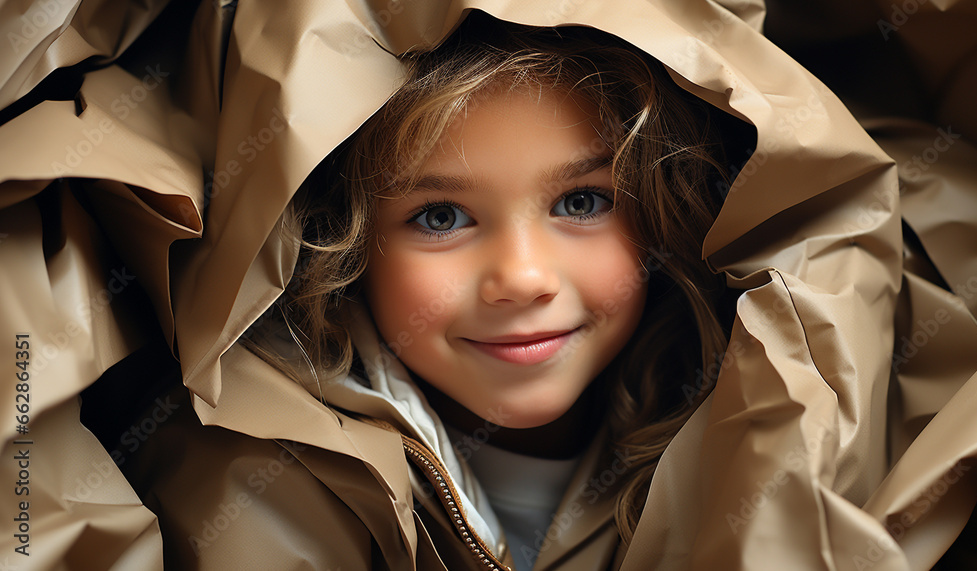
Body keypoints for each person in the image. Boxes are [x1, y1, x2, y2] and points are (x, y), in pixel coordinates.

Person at [238, 12, 735, 570]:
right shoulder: (243, 484)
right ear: (344, 247)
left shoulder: (747, 446)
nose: (522, 280)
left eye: (581, 202)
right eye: (442, 216)